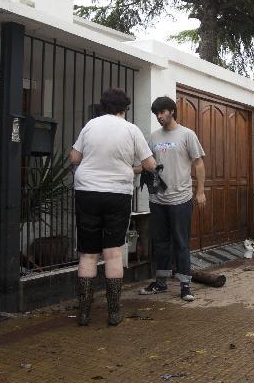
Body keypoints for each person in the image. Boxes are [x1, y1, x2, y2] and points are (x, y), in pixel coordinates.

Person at [70, 88, 156, 327]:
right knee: (113, 252)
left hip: (87, 191)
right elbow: (149, 164)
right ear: (124, 108)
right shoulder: (131, 130)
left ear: (103, 106)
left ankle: (84, 313)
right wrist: (134, 167)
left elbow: (74, 159)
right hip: (117, 194)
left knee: (88, 253)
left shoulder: (90, 126)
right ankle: (114, 312)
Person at [140, 96, 206, 302]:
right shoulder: (154, 137)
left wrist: (201, 191)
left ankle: (185, 285)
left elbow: (199, 164)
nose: (159, 117)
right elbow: (147, 164)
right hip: (158, 199)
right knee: (160, 243)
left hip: (181, 199)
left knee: (181, 243)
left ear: (172, 111)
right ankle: (160, 283)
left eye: (162, 112)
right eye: (156, 114)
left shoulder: (187, 135)